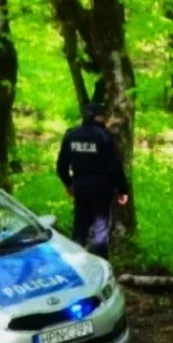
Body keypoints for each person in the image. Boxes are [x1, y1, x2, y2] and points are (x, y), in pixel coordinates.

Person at [55, 102, 129, 259]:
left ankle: (74, 261)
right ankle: (100, 263)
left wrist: (69, 184)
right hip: (102, 189)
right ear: (98, 117)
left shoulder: (71, 135)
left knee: (79, 226)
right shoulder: (104, 136)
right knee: (100, 229)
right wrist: (123, 189)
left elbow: (61, 166)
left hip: (80, 187)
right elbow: (114, 166)